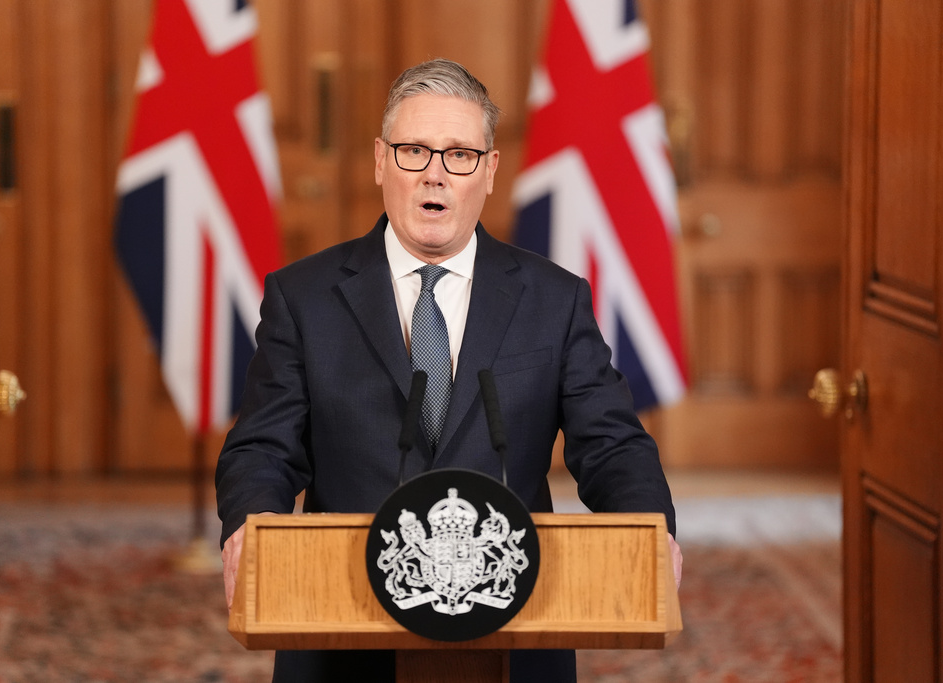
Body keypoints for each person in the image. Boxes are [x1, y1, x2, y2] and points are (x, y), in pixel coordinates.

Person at [216, 58, 682, 683]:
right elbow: (262, 449)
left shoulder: (553, 299)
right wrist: (252, 526)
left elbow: (613, 445)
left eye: (460, 154)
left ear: (489, 172)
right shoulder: (303, 298)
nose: (434, 174)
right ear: (381, 161)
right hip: (342, 628)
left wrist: (651, 528)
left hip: (515, 623)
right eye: (414, 152)